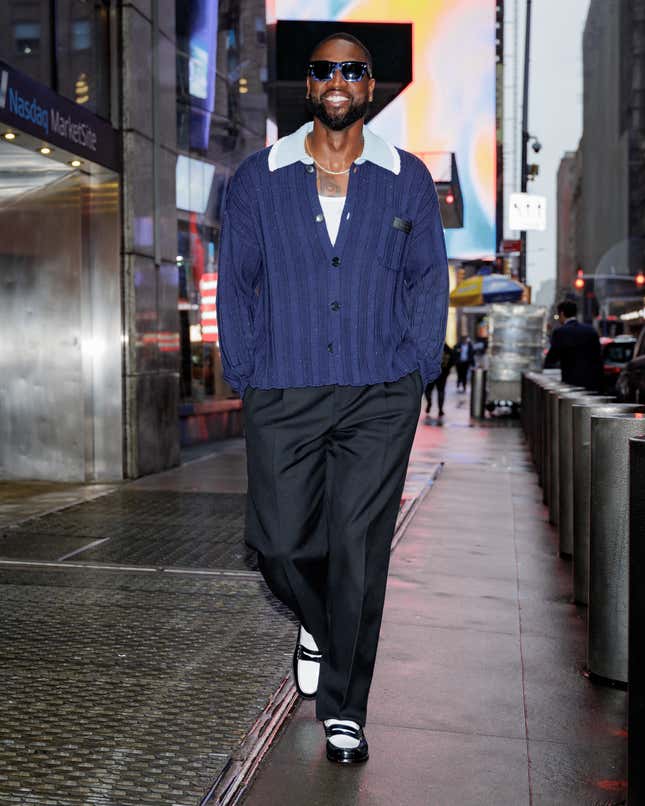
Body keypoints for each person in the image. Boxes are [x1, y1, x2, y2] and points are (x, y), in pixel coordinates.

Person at [217, 32, 448, 764]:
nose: (338, 79)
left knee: (359, 550)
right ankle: (315, 623)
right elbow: (237, 284)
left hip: (378, 393)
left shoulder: (404, 177)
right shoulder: (259, 177)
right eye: (324, 70)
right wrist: (246, 372)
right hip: (281, 386)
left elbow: (426, 279)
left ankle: (344, 710)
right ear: (307, 87)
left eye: (353, 69)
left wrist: (414, 367)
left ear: (369, 87)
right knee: (278, 544)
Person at [544, 300, 602, 390]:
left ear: (562, 314)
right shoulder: (591, 330)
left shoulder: (560, 332)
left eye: (558, 315)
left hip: (571, 382)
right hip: (592, 382)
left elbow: (552, 358)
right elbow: (598, 357)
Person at [424, 342, 454, 417]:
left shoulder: (430, 345)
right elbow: (453, 359)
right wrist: (447, 370)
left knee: (428, 390)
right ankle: (440, 409)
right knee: (440, 391)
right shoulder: (446, 347)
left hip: (431, 373)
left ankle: (429, 403)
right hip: (441, 374)